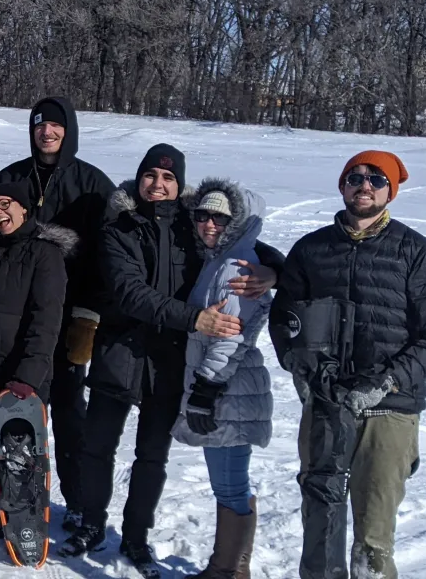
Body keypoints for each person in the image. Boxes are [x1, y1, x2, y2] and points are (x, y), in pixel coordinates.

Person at [63, 144, 281, 578]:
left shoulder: (195, 225)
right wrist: (195, 318)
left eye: (167, 179)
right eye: (150, 176)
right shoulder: (118, 228)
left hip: (169, 362)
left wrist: (274, 271)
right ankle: (91, 522)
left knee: (152, 456)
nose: (157, 185)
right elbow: (129, 292)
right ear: (139, 179)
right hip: (120, 352)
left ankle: (136, 536)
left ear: (179, 185)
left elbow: (247, 243)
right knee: (98, 446)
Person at [269, 152, 426, 579]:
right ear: (342, 186)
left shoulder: (418, 253)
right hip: (325, 403)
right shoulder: (311, 249)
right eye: (355, 177)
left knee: (372, 541)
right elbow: (285, 319)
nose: (365, 185)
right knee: (319, 525)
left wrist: (390, 380)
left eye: (376, 179)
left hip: (389, 409)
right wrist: (297, 367)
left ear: (390, 190)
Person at [0, 96, 114, 529]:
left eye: (56, 125)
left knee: (69, 413)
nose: (47, 132)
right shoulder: (11, 176)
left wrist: (90, 315)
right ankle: (19, 496)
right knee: (18, 411)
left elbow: (111, 253)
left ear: (69, 130)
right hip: (16, 318)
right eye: (40, 125)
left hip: (69, 318)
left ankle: (77, 502)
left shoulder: (92, 183)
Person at [0, 181, 72, 546]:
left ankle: (23, 517)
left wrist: (29, 375)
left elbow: (46, 320)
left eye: (6, 204)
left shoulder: (44, 254)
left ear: (24, 209)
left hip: (20, 373)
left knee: (19, 452)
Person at [171, 179, 273, 579]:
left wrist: (205, 390)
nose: (208, 224)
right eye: (202, 215)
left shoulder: (235, 267)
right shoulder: (222, 258)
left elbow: (230, 336)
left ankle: (226, 571)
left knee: (230, 485)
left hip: (227, 395)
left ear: (236, 222)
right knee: (230, 484)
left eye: (219, 217)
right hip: (227, 391)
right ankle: (230, 568)